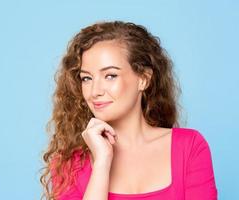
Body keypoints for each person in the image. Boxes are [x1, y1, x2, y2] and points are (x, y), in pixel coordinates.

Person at [40, 20, 218, 200]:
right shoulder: (68, 164)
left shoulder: (189, 147)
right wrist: (102, 163)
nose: (95, 91)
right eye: (86, 78)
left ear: (143, 79)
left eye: (110, 76)